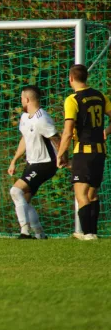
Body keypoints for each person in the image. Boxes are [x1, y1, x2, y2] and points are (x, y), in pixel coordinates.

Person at [57, 64, 111, 241]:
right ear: (86, 77)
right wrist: (106, 131)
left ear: (71, 78)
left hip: (83, 152)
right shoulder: (100, 96)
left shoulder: (73, 99)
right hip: (100, 152)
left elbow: (68, 130)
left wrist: (60, 153)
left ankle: (87, 234)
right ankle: (92, 232)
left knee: (80, 194)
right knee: (92, 194)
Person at [7, 86, 61, 239]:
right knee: (24, 199)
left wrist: (63, 157)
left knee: (15, 191)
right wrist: (14, 160)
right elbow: (25, 138)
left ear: (27, 100)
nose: (21, 101)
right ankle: (40, 234)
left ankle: (24, 232)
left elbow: (56, 138)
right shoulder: (25, 117)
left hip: (46, 163)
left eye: (22, 98)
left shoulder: (41, 118)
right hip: (32, 163)